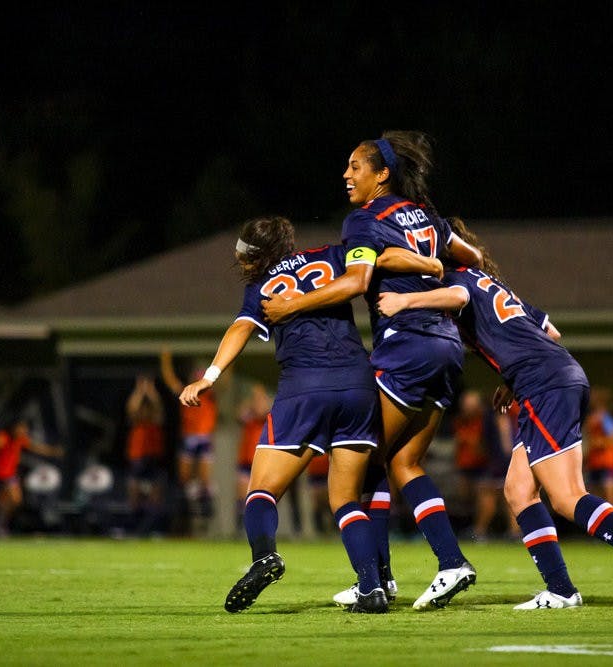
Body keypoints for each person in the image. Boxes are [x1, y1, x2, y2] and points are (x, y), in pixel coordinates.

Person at [376, 218, 613, 610]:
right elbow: (550, 332)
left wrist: (405, 301)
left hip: (545, 386)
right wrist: (511, 376)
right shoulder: (494, 284)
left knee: (568, 497)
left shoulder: (457, 278)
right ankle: (561, 590)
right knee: (518, 490)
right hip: (555, 375)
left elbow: (457, 299)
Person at [262, 131, 486, 610]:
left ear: (382, 174)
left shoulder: (364, 220)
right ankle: (446, 563)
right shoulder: (424, 214)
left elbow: (358, 280)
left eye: (355, 167)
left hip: (405, 344)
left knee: (357, 470)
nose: (346, 175)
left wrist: (293, 305)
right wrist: (435, 265)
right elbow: (474, 258)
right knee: (403, 463)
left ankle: (377, 581)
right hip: (446, 347)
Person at [180, 215, 441, 614]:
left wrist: (209, 377)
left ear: (261, 255)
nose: (244, 265)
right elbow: (383, 258)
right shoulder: (333, 255)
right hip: (358, 383)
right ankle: (371, 587)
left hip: (304, 386)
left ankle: (264, 555)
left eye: (247, 257)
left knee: (261, 491)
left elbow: (240, 329)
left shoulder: (261, 286)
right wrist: (427, 263)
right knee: (346, 500)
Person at [160, 348, 218, 533]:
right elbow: (170, 380)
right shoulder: (187, 392)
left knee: (204, 480)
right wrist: (166, 358)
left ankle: (204, 509)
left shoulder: (210, 397)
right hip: (189, 438)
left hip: (203, 437)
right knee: (184, 481)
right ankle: (185, 509)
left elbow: (223, 384)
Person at [0, 418, 63, 538]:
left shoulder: (20, 440)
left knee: (16, 500)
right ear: (13, 428)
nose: (24, 430)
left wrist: (53, 451)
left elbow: (35, 447)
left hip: (8, 476)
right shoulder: (4, 437)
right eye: (21, 428)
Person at [450, 388, 515, 542]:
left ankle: (481, 531)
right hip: (496, 461)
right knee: (503, 495)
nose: (465, 407)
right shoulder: (483, 418)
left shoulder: (497, 416)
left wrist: (506, 460)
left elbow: (505, 442)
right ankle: (513, 532)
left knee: (490, 493)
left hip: (501, 461)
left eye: (469, 404)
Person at [124, 375, 168, 536]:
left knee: (155, 498)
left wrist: (149, 391)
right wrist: (139, 390)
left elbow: (157, 408)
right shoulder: (136, 421)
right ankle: (135, 529)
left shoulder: (155, 418)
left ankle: (153, 529)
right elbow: (132, 409)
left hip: (153, 458)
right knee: (135, 496)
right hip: (137, 459)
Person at [234, 382, 273, 533]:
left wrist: (261, 401)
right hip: (246, 460)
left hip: (262, 461)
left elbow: (261, 411)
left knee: (261, 499)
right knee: (241, 499)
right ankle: (240, 532)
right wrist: (251, 401)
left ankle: (263, 532)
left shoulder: (269, 411)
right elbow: (238, 414)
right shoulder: (247, 411)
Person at [583, 386, 613, 509]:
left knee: (610, 499)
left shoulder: (606, 418)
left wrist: (598, 443)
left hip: (607, 463)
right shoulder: (590, 418)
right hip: (594, 463)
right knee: (595, 499)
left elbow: (612, 440)